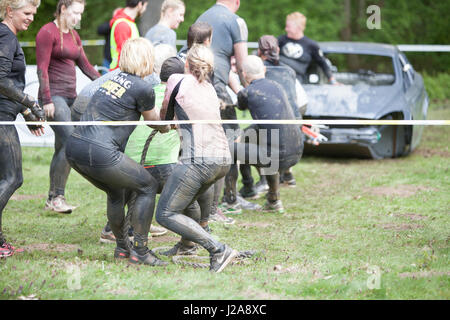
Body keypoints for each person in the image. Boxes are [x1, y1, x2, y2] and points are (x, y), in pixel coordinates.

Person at [66, 37, 170, 266]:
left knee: (116, 192)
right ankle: (140, 252)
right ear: (146, 60)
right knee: (148, 185)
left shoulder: (110, 81)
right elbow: (155, 122)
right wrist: (170, 124)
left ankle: (123, 249)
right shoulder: (143, 87)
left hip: (74, 148)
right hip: (100, 150)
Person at [156, 44, 239, 272]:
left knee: (165, 213)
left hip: (199, 160)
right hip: (222, 160)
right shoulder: (210, 88)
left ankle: (218, 250)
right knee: (186, 199)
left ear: (186, 64)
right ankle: (187, 244)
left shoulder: (176, 80)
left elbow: (164, 118)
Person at [36, 0, 101, 214]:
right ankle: (57, 197)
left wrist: (106, 83)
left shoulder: (73, 35)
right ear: (63, 9)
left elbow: (86, 67)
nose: (79, 18)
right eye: (76, 13)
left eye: (81, 14)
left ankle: (53, 197)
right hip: (54, 97)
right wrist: (47, 100)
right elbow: (42, 70)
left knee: (62, 146)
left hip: (72, 97)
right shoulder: (47, 32)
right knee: (69, 141)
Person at [0, 0, 45, 258]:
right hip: (1, 118)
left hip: (7, 114)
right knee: (13, 178)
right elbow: (1, 79)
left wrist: (26, 111)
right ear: (10, 11)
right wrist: (29, 102)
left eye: (33, 13)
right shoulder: (5, 36)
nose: (30, 18)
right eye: (26, 13)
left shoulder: (8, 37)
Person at [195, 0, 249, 215]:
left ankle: (211, 202)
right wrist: (248, 90)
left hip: (198, 85)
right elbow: (242, 63)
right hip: (216, 89)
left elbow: (219, 61)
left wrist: (236, 89)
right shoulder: (236, 20)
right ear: (236, 2)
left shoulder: (203, 16)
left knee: (204, 145)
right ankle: (228, 200)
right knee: (231, 142)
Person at [235, 55, 303, 213]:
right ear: (264, 70)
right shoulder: (277, 85)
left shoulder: (247, 92)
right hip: (297, 150)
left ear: (244, 74)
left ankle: (231, 200)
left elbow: (240, 105)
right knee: (247, 136)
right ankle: (272, 199)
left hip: (276, 156)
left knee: (230, 149)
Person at [278, 12, 337, 85]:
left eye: (288, 26)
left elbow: (323, 63)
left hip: (298, 81)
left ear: (298, 28)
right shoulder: (281, 40)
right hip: (279, 76)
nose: (286, 29)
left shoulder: (311, 45)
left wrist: (332, 81)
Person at [109, 0, 148, 71]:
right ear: (139, 5)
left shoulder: (129, 23)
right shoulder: (123, 25)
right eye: (145, 6)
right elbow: (125, 56)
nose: (145, 9)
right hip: (120, 73)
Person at [97, 7, 122, 74]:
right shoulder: (110, 24)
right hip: (108, 60)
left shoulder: (125, 25)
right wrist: (114, 22)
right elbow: (100, 30)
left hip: (121, 61)